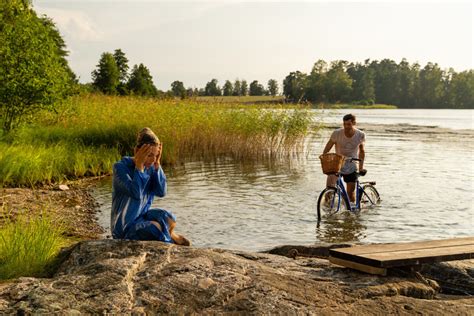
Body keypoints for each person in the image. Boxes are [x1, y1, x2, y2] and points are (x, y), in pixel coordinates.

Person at [111, 127, 190, 246]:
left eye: (156, 155)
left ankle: (168, 234)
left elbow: (161, 192)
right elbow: (136, 193)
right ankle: (168, 239)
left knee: (169, 218)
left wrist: (158, 166)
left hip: (142, 217)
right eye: (149, 155)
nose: (152, 160)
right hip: (124, 228)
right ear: (137, 150)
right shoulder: (120, 168)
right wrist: (139, 167)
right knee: (155, 228)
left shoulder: (152, 167)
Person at [322, 114, 366, 203]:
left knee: (350, 193)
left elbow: (361, 152)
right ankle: (327, 211)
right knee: (329, 189)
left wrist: (361, 168)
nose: (346, 127)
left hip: (352, 164)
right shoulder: (337, 133)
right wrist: (324, 156)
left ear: (354, 123)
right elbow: (328, 146)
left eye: (349, 124)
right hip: (337, 164)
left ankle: (352, 213)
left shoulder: (360, 135)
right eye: (344, 124)